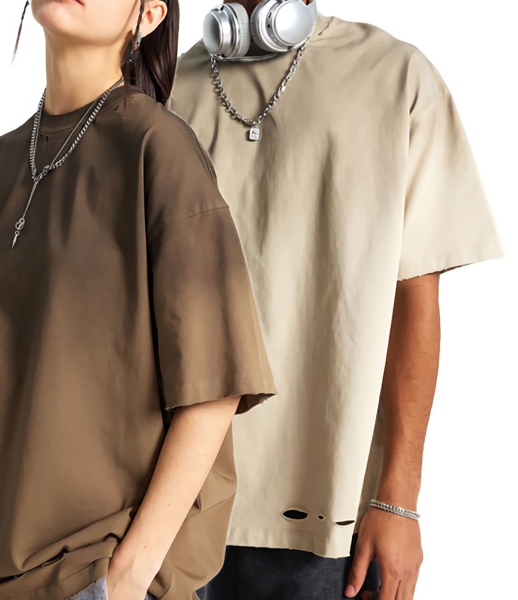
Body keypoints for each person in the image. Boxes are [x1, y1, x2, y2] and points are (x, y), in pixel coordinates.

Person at [0, 1, 276, 599]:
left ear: (149, 15)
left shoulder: (159, 148)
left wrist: (126, 578)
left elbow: (216, 385)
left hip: (93, 568)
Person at [169, 1, 504, 599]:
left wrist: (398, 500)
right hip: (171, 502)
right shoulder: (163, 89)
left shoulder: (395, 75)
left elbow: (414, 300)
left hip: (329, 516)